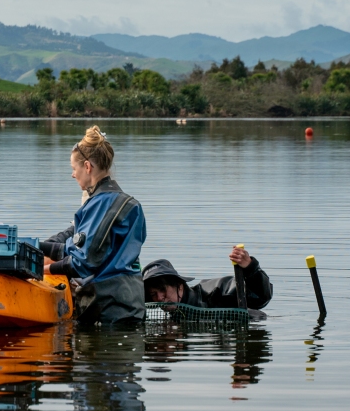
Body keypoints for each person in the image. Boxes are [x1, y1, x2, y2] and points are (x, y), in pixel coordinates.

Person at [39, 126, 147, 325]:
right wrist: (35, 246)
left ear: (87, 167)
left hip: (107, 310)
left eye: (74, 168)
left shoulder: (100, 205)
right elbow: (78, 249)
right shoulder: (130, 204)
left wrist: (42, 270)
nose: (73, 175)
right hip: (133, 303)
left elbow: (82, 263)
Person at [143, 246, 273, 310]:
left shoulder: (216, 291)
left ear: (179, 286)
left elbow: (261, 297)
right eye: (153, 294)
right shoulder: (171, 321)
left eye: (163, 290)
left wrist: (251, 268)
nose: (159, 298)